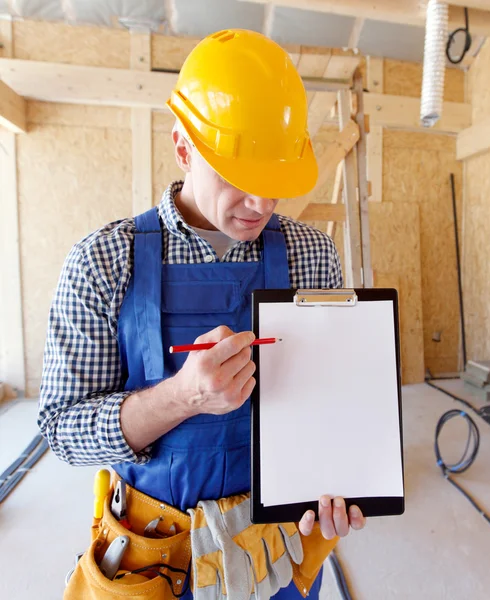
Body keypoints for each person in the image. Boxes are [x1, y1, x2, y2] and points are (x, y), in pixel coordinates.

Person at [39, 29, 366, 599]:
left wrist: (336, 482)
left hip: (273, 551)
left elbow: (327, 401)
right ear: (183, 148)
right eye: (239, 176)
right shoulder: (102, 262)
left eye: (275, 179)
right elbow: (62, 431)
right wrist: (181, 397)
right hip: (151, 556)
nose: (262, 204)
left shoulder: (314, 255)